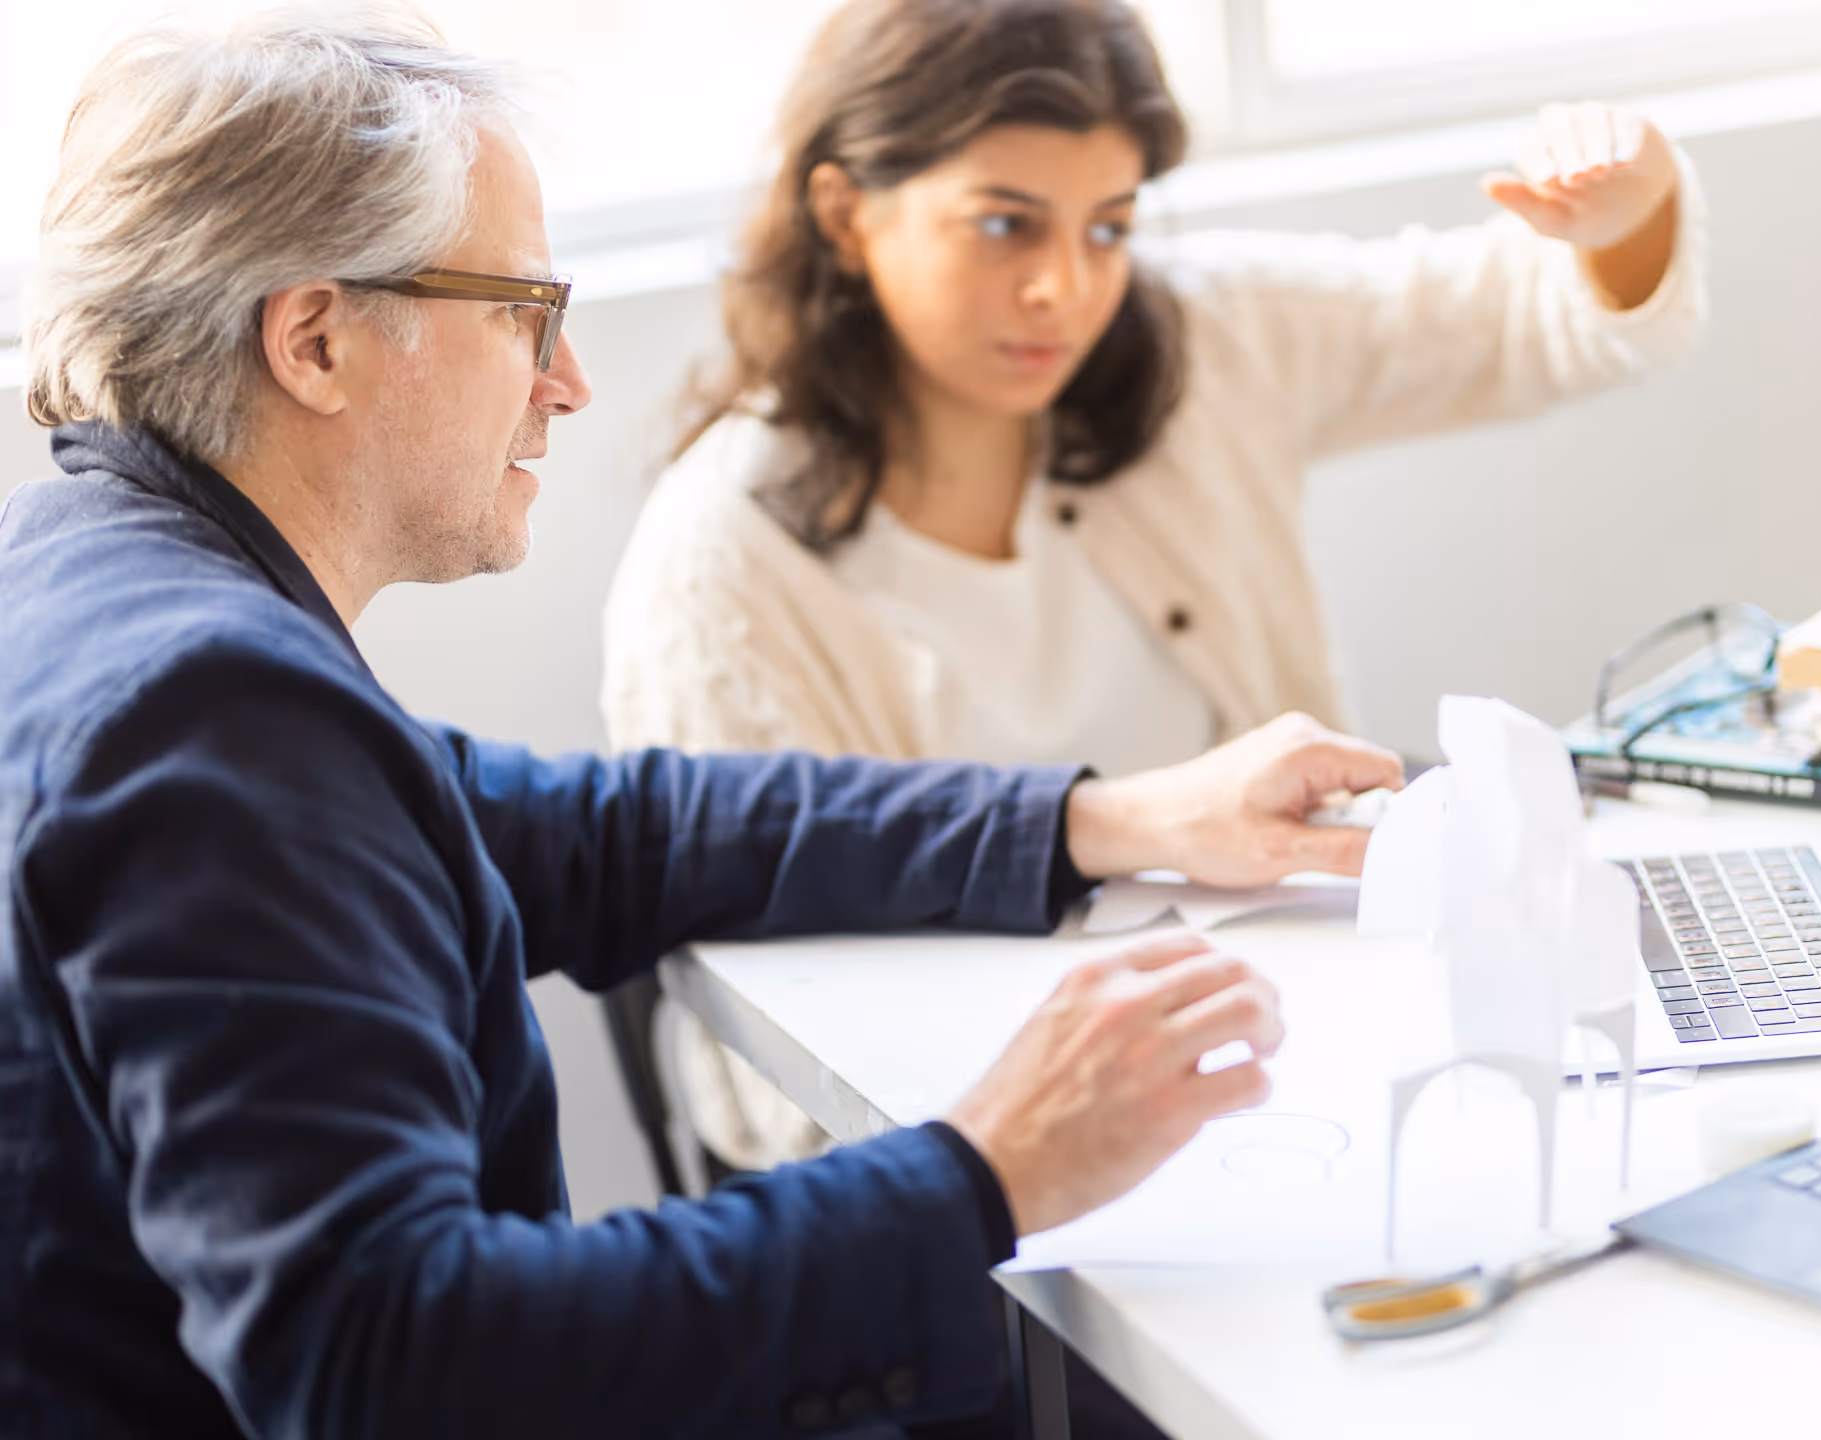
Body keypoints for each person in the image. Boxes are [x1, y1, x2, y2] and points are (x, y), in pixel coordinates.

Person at [0, 13, 1404, 1436]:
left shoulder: (105, 586)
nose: (568, 380)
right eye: (520, 316)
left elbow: (600, 835)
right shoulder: (208, 723)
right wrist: (991, 1166)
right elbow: (398, 1364)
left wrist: (1108, 820)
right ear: (313, 340)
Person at [601, 0, 1709, 1172]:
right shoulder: (721, 568)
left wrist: (1626, 216)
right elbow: (800, 1065)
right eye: (1003, 226)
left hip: (1285, 1071)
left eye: (1108, 229)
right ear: (845, 213)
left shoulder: (1198, 343)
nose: (1065, 292)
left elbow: (1515, 318)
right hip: (963, 1172)